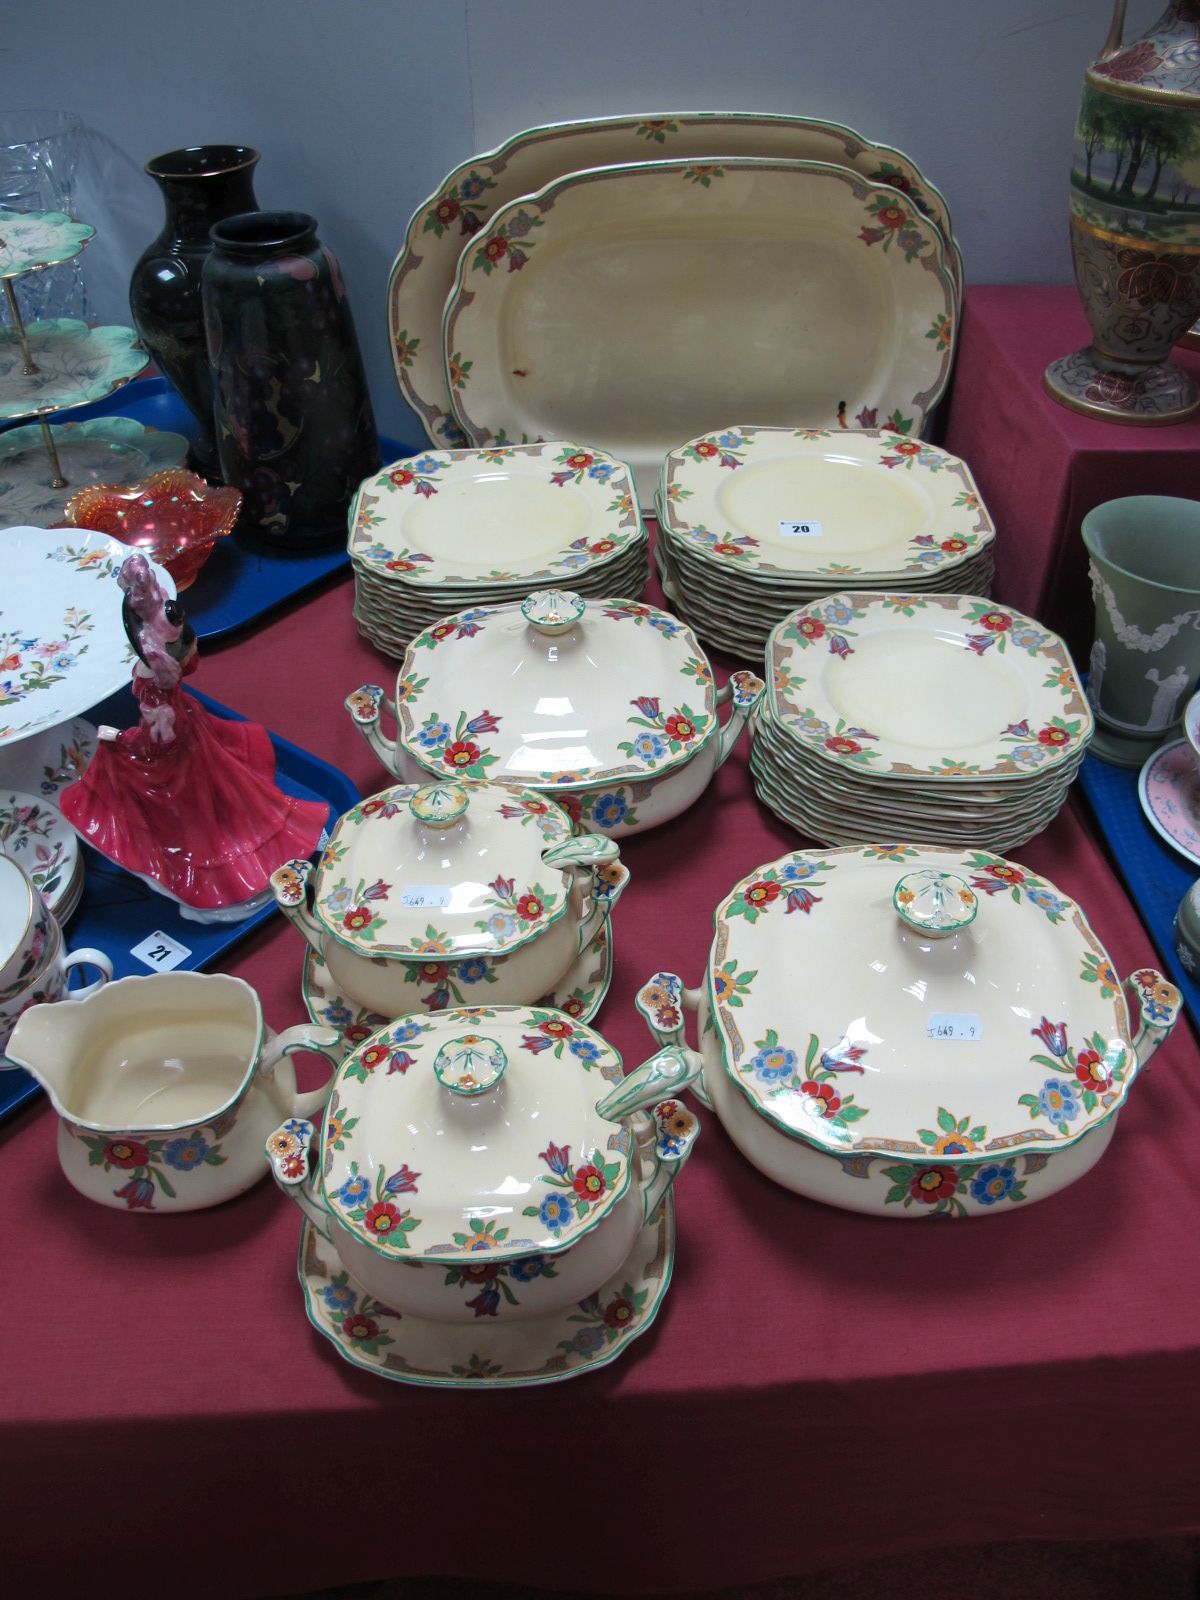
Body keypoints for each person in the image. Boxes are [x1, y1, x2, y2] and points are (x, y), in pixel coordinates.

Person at [60, 553, 326, 911]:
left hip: (181, 755)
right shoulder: (158, 682)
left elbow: (160, 742)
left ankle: (236, 875)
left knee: (202, 818)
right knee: (230, 798)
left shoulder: (156, 691)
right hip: (190, 735)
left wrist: (123, 741)